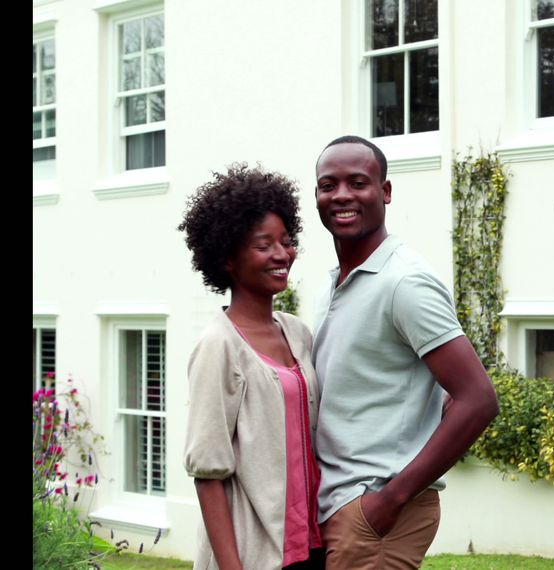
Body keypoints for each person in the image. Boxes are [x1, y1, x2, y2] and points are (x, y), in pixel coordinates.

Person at [312, 136, 500, 570]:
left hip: (373, 510)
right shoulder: (334, 283)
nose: (341, 195)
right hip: (340, 503)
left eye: (358, 182)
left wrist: (390, 500)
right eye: (328, 184)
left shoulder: (404, 281)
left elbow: (477, 398)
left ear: (386, 192)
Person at [179, 164, 324, 570]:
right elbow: (208, 473)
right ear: (227, 258)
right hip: (255, 556)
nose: (282, 254)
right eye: (264, 245)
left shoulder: (298, 334)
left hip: (313, 546)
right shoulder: (218, 346)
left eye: (286, 240)